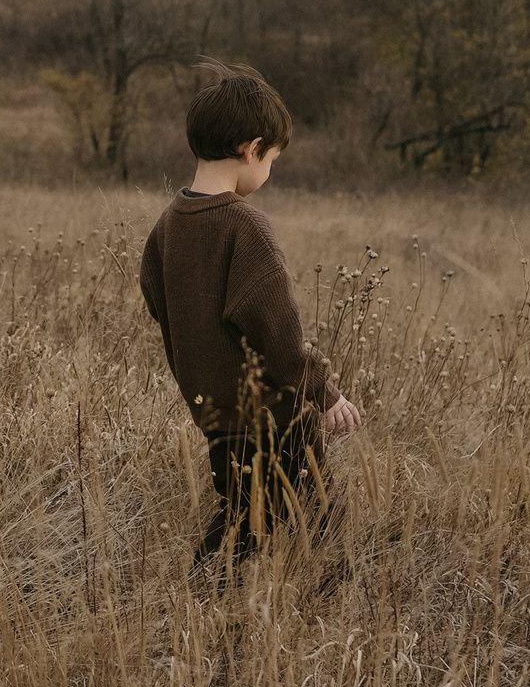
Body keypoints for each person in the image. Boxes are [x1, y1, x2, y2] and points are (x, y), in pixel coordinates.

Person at [138, 63, 362, 568]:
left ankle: (236, 607)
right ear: (251, 149)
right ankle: (209, 605)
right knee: (298, 530)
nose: (268, 173)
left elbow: (156, 298)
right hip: (272, 418)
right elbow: (278, 334)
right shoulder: (245, 228)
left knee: (248, 516)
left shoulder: (169, 224)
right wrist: (323, 394)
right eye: (273, 160)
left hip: (215, 415)